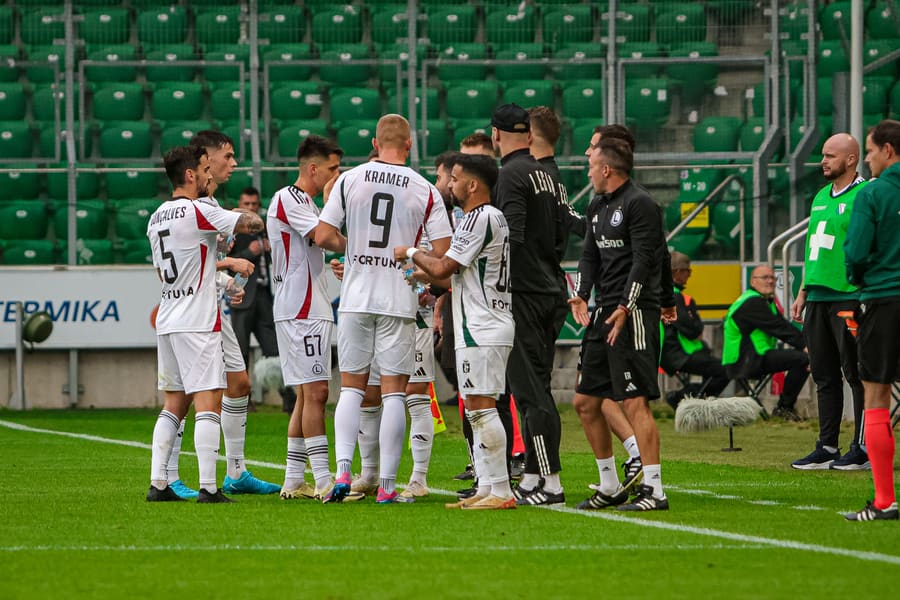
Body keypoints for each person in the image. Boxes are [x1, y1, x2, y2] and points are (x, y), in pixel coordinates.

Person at [315, 114, 453, 504]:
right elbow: (442, 255)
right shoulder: (425, 189)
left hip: (357, 298)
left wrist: (356, 248)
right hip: (398, 298)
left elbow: (324, 235)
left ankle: (344, 470)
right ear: (409, 145)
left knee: (353, 388)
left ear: (375, 144)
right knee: (395, 393)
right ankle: (389, 486)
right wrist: (412, 261)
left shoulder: (349, 179)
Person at [395, 153, 516, 510]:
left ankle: (502, 491)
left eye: (455, 178)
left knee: (481, 407)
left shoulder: (482, 217)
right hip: (477, 324)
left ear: (473, 184)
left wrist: (413, 252)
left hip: (483, 326)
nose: (449, 184)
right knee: (476, 408)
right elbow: (451, 275)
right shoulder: (482, 218)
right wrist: (425, 274)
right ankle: (488, 486)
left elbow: (446, 263)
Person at [162, 131, 280, 498]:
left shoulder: (205, 200)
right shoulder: (196, 205)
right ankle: (171, 477)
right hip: (195, 312)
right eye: (227, 156)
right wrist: (229, 261)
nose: (233, 163)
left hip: (204, 303)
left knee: (240, 383)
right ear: (204, 161)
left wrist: (225, 277)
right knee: (188, 396)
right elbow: (189, 260)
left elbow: (199, 259)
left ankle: (236, 472)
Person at [569, 138, 675, 511]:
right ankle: (610, 484)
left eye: (591, 164)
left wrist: (629, 307)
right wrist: (581, 294)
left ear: (607, 169)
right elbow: (588, 257)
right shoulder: (597, 204)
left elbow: (646, 260)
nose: (588, 170)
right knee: (585, 402)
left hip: (633, 315)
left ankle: (654, 490)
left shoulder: (641, 204)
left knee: (634, 402)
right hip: (602, 314)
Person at [266, 135, 361, 502]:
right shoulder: (290, 197)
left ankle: (293, 479)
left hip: (306, 306)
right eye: (334, 169)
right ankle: (324, 480)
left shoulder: (302, 201)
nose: (338, 175)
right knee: (318, 391)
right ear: (313, 168)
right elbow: (327, 237)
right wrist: (368, 247)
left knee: (308, 393)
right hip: (301, 309)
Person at [488, 103, 566, 506]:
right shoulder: (547, 174)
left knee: (531, 391)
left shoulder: (511, 175)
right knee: (536, 388)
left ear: (496, 135)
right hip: (550, 289)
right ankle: (535, 475)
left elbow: (509, 236)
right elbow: (562, 233)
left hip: (523, 295)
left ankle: (551, 481)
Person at [790, 133, 869, 470]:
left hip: (848, 295)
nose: (823, 161)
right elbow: (813, 249)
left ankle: (863, 447)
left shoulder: (866, 193)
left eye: (830, 155)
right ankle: (827, 446)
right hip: (818, 296)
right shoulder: (821, 196)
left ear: (851, 159)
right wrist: (803, 290)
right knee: (824, 374)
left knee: (858, 374)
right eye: (822, 155)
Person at [843, 119, 900, 521]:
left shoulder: (873, 193)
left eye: (870, 150)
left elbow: (857, 252)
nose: (867, 158)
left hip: (883, 300)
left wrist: (858, 278)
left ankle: (884, 500)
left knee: (876, 395)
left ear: (889, 151)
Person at [722, 264, 809, 421]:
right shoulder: (752, 303)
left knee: (802, 358)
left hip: (754, 356)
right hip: (746, 361)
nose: (770, 281)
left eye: (772, 277)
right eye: (765, 277)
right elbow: (780, 328)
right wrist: (806, 346)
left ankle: (784, 406)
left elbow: (781, 326)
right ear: (752, 281)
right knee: (804, 359)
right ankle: (784, 407)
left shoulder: (761, 301)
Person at [660, 251, 730, 408]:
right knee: (725, 370)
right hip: (679, 354)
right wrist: (695, 322)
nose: (689, 275)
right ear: (677, 272)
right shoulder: (675, 297)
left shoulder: (661, 293)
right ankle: (682, 398)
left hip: (671, 353)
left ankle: (686, 398)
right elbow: (692, 329)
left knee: (713, 367)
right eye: (688, 271)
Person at [228, 187, 279, 369]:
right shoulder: (232, 229)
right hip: (242, 295)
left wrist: (273, 249)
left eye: (254, 204)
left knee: (273, 347)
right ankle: (241, 396)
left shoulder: (265, 228)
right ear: (239, 205)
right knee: (240, 351)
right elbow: (224, 260)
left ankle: (286, 394)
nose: (250, 207)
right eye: (246, 204)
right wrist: (249, 252)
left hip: (263, 293)